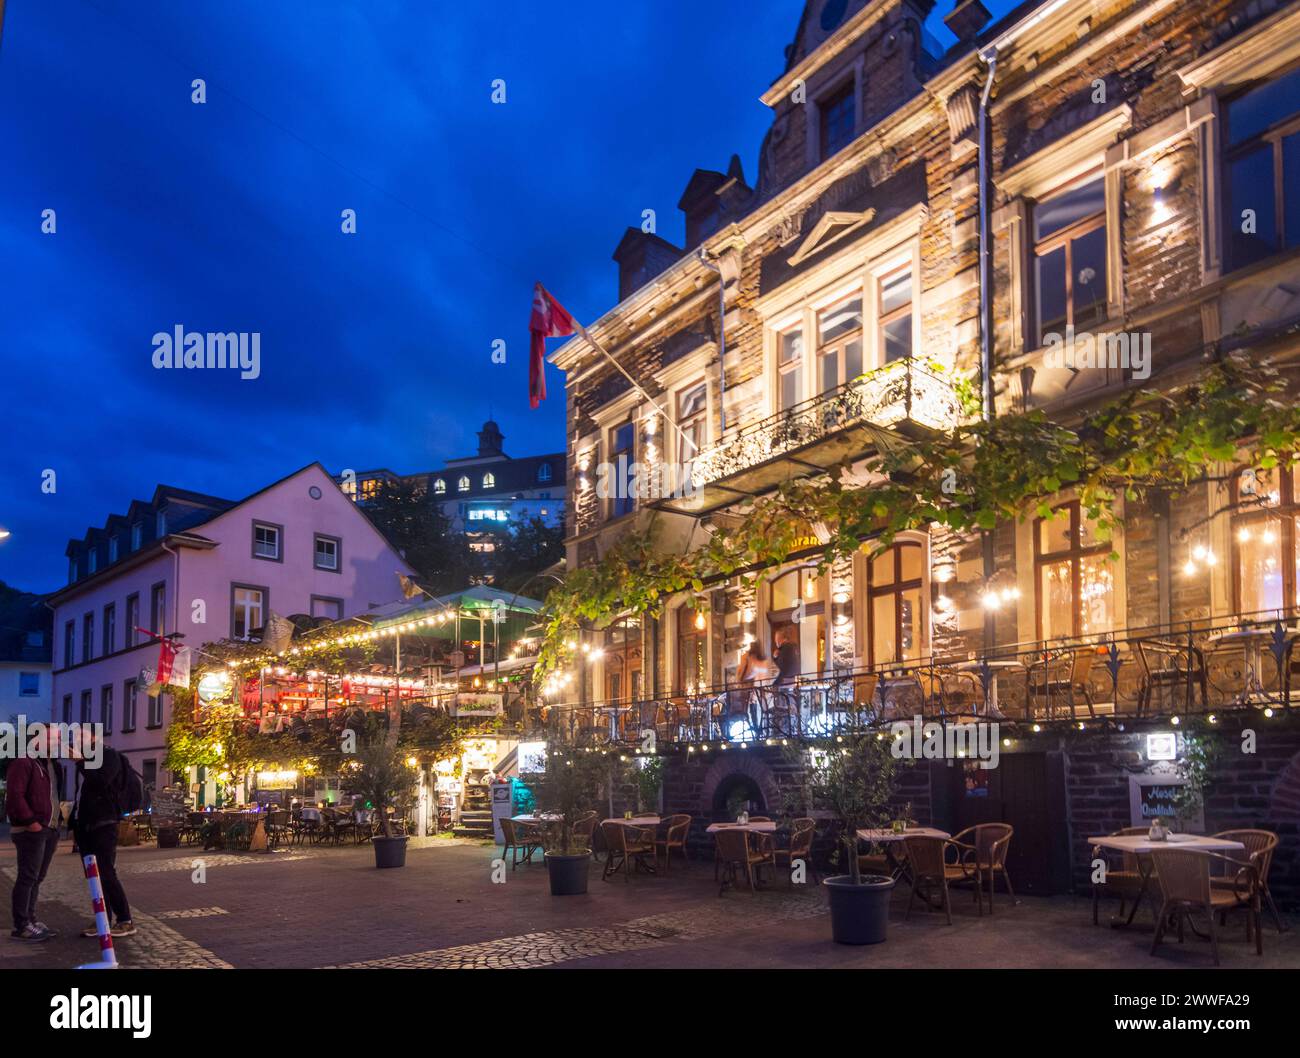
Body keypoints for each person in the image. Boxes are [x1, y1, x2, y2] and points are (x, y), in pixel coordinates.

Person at [71, 732, 135, 938]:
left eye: (82, 736)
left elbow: (101, 782)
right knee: (93, 875)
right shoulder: (89, 760)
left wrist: (80, 762)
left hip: (104, 824)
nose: (77, 740)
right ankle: (102, 919)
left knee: (106, 873)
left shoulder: (109, 756)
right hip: (87, 826)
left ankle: (125, 919)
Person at [5, 738, 63, 941]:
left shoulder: (52, 764)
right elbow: (14, 794)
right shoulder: (24, 761)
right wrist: (31, 822)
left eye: (56, 738)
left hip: (50, 829)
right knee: (27, 877)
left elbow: (54, 796)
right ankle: (21, 925)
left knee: (37, 878)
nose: (54, 741)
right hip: (31, 830)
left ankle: (30, 919)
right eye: (48, 738)